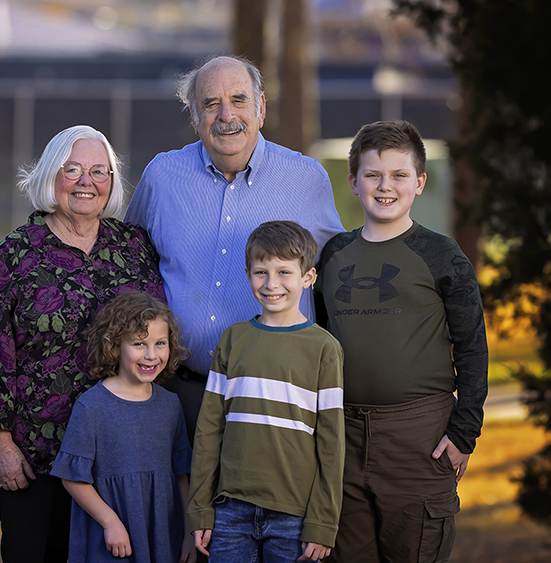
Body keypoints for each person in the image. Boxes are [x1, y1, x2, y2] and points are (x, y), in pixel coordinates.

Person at [0, 125, 167, 563]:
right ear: (51, 176)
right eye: (72, 169)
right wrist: (1, 447)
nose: (86, 181)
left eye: (98, 170)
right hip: (36, 457)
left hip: (116, 457)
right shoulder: (17, 253)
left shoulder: (133, 247)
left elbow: (157, 333)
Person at [125, 55, 345, 438]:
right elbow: (128, 266)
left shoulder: (307, 179)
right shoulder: (161, 178)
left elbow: (338, 271)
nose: (227, 115)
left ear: (260, 108)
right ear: (194, 117)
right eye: (211, 104)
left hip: (275, 398)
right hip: (179, 394)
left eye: (239, 100)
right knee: (183, 498)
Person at [312, 120, 488, 563]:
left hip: (418, 439)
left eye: (398, 175)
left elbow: (472, 347)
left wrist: (464, 433)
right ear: (353, 182)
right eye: (372, 174)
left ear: (420, 182)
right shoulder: (332, 256)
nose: (384, 186)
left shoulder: (441, 254)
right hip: (343, 438)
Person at [188, 221, 345, 563]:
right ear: (248, 275)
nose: (272, 284)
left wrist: (323, 521)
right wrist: (200, 507)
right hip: (230, 511)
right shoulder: (233, 340)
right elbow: (208, 431)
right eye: (261, 272)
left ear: (308, 277)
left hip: (295, 515)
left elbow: (332, 445)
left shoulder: (324, 348)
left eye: (284, 272)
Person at [51, 291, 196, 563]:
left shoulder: (170, 405)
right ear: (115, 346)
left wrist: (189, 533)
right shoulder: (91, 406)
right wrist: (110, 523)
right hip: (112, 538)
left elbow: (180, 476)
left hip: (162, 535)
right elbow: (72, 477)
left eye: (160, 343)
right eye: (139, 344)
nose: (151, 355)